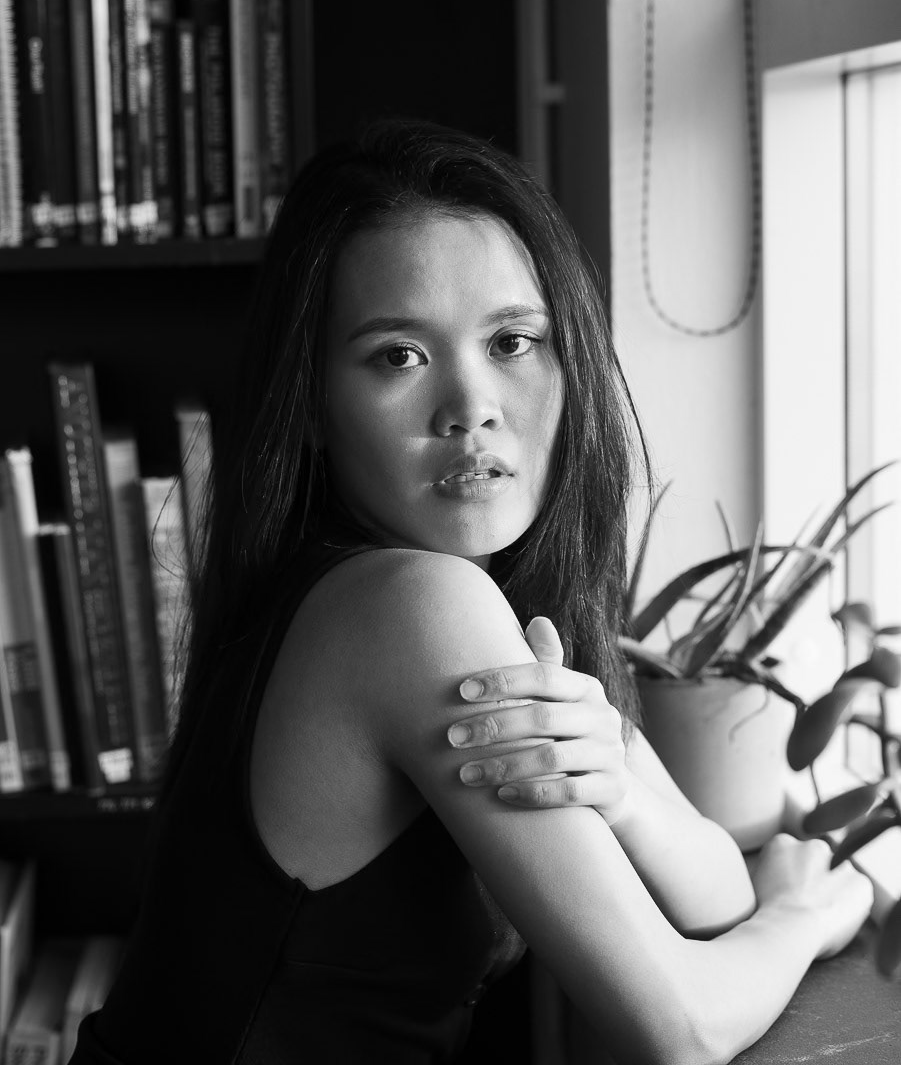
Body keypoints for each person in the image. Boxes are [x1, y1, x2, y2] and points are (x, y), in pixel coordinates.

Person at [71, 120, 872, 1065]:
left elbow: (716, 899)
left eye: (513, 341)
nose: (471, 407)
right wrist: (800, 917)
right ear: (312, 405)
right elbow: (681, 1029)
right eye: (397, 356)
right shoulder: (408, 606)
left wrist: (620, 792)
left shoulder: (454, 599)